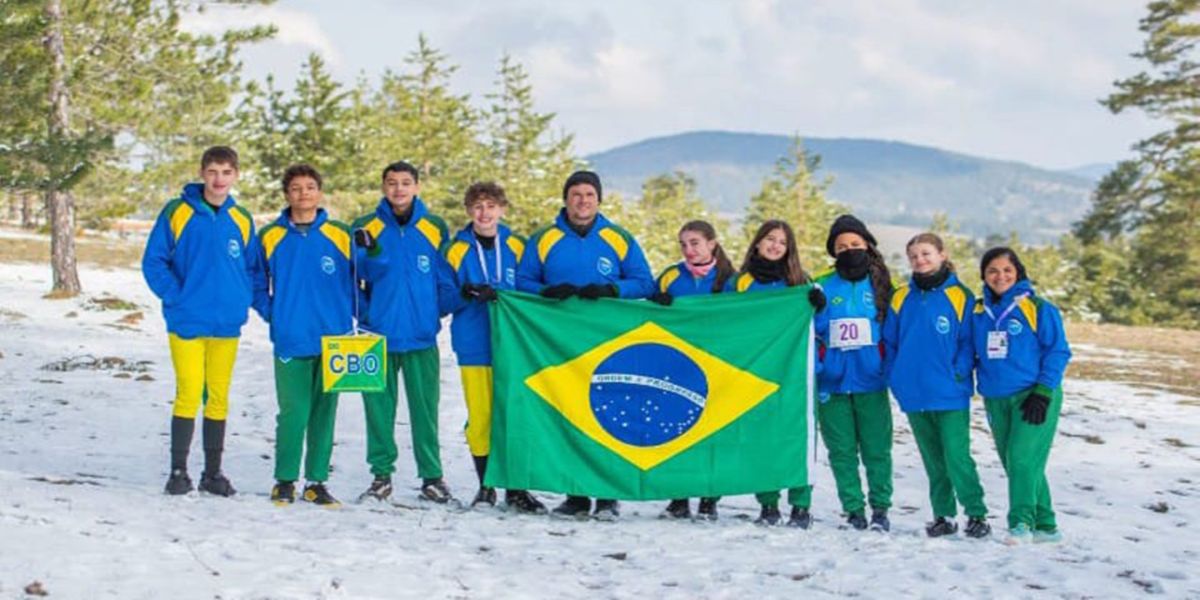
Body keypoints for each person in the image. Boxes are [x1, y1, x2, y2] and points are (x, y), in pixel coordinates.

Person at [516, 169, 655, 520]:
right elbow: (522, 280)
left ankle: (608, 494)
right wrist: (545, 291)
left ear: (599, 200)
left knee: (607, 414)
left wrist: (613, 290)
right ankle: (575, 492)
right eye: (576, 194)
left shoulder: (617, 238)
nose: (582, 201)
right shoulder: (545, 239)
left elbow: (644, 282)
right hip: (558, 343)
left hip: (606, 340)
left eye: (589, 195)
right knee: (570, 413)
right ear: (565, 199)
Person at [142, 145, 260, 497]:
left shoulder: (241, 218)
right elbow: (154, 261)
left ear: (235, 175)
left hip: (226, 323)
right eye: (212, 171)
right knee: (190, 392)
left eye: (226, 172)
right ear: (201, 173)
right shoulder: (178, 212)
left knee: (219, 396)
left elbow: (251, 268)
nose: (218, 179)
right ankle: (178, 471)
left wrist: (243, 300)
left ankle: (213, 473)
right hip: (188, 321)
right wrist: (177, 296)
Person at [351, 161, 459, 504]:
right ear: (383, 187)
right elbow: (355, 279)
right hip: (377, 338)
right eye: (392, 183)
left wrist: (433, 313)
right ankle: (381, 476)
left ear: (416, 186)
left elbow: (445, 277)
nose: (399, 189)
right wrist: (368, 314)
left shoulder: (434, 227)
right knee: (379, 410)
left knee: (425, 410)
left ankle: (432, 477)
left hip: (421, 337)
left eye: (406, 182)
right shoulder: (365, 226)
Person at [251, 164, 352, 507]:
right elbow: (255, 281)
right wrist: (275, 314)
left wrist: (357, 315)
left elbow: (361, 281)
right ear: (287, 194)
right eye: (296, 188)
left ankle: (317, 482)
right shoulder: (270, 236)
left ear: (320, 192)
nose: (303, 193)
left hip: (334, 339)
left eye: (310, 187)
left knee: (325, 411)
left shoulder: (341, 235)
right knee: (293, 410)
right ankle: (285, 480)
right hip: (292, 337)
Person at [443, 181, 547, 514]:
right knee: (482, 416)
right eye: (477, 206)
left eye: (490, 205)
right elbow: (441, 297)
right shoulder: (455, 250)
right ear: (468, 211)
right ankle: (486, 485)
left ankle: (517, 490)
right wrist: (465, 292)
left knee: (515, 416)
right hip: (474, 343)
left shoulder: (519, 245)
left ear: (503, 209)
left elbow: (533, 287)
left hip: (516, 347)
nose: (484, 213)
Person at [883, 233, 990, 538]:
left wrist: (957, 371)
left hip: (949, 391)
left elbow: (969, 342)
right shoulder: (901, 296)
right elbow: (889, 341)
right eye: (914, 256)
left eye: (926, 253)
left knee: (956, 456)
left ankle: (976, 513)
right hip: (913, 391)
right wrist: (896, 375)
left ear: (942, 255)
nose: (920, 260)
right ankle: (943, 514)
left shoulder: (961, 296)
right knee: (932, 458)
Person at [972, 247, 1071, 543]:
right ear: (984, 276)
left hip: (1034, 395)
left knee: (1023, 459)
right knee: (1016, 462)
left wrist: (1043, 391)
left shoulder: (1039, 308)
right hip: (996, 397)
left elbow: (1058, 351)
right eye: (992, 271)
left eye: (1006, 270)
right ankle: (1047, 526)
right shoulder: (978, 312)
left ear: (1018, 273)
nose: (999, 276)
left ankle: (1021, 524)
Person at [736, 219, 826, 529]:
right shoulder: (741, 283)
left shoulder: (801, 282)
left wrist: (820, 307)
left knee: (798, 437)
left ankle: (801, 505)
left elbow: (820, 329)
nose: (775, 245)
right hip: (755, 373)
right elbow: (723, 322)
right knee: (762, 438)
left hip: (795, 374)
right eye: (770, 239)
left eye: (782, 242)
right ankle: (768, 504)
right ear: (758, 243)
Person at [649, 220, 737, 521]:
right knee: (678, 430)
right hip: (677, 366)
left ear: (712, 243)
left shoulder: (730, 280)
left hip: (717, 366)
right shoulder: (670, 277)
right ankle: (679, 496)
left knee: (713, 432)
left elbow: (748, 316)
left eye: (695, 243)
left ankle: (710, 497)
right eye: (683, 244)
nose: (688, 250)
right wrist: (655, 303)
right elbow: (643, 311)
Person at [813, 215, 895, 532]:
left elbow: (893, 332)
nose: (850, 250)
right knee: (841, 451)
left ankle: (880, 508)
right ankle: (853, 508)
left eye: (855, 245)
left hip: (871, 381)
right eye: (842, 246)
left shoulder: (883, 285)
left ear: (867, 246)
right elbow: (809, 329)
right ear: (834, 252)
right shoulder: (821, 284)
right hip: (831, 382)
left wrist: (885, 367)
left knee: (877, 449)